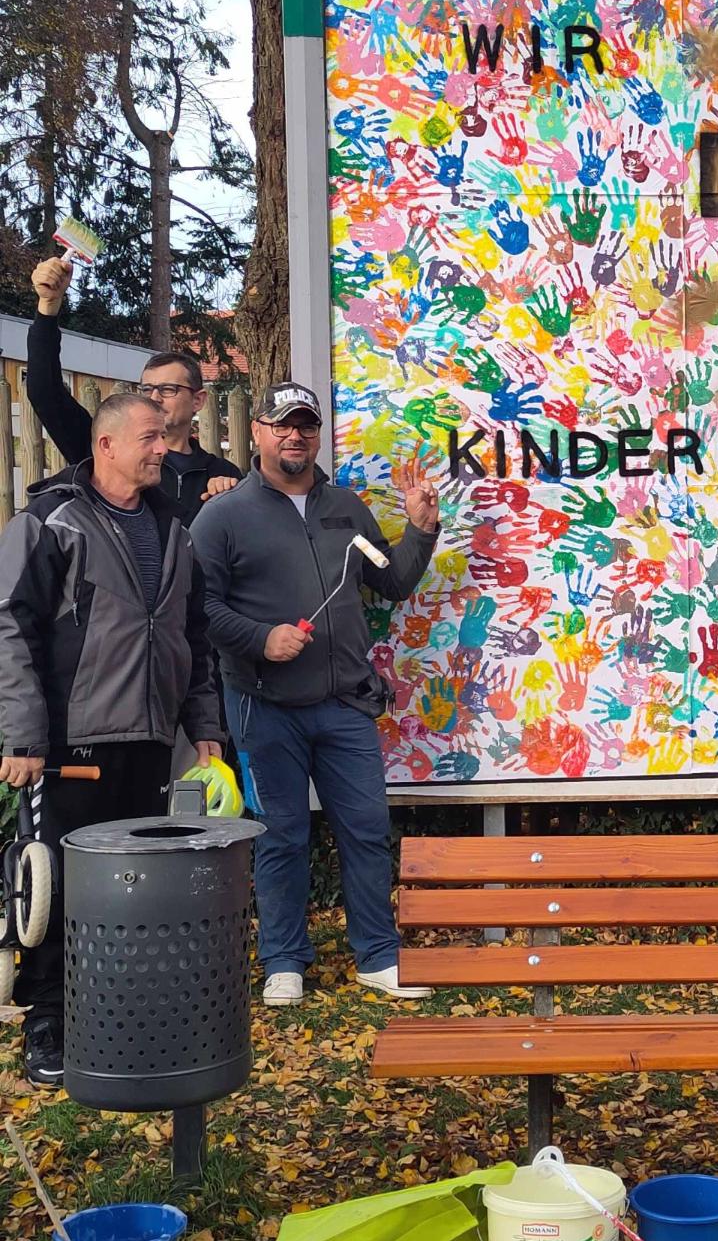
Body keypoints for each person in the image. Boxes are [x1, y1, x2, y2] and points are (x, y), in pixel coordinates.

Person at [191, 383, 440, 1005]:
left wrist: (420, 531)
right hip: (262, 704)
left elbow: (392, 584)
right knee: (280, 835)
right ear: (259, 433)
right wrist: (259, 637)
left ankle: (378, 955)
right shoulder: (222, 515)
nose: (294, 436)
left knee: (365, 828)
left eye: (305, 425)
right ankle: (282, 960)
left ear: (317, 434)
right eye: (281, 425)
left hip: (345, 704)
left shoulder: (345, 508)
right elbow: (199, 608)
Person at [0, 393, 223, 1084]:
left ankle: (121, 1017)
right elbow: (9, 626)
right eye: (153, 438)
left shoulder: (176, 528)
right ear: (107, 445)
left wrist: (206, 728)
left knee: (136, 891)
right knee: (59, 888)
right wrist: (23, 736)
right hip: (70, 748)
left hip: (153, 742)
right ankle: (47, 1027)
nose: (166, 448)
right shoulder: (50, 521)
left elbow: (194, 636)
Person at [28, 257, 241, 522]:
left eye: (168, 389)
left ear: (198, 400)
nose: (154, 397)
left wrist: (230, 496)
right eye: (147, 388)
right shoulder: (109, 450)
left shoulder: (222, 473)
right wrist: (48, 308)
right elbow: (45, 393)